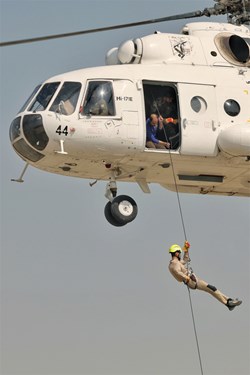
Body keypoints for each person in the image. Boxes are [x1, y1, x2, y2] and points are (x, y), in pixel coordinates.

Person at [168, 242, 242, 311]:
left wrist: (186, 250)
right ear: (176, 253)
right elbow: (177, 272)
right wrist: (186, 277)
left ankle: (229, 301)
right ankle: (228, 303)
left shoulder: (176, 262)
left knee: (212, 288)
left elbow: (185, 260)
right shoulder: (174, 264)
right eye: (179, 253)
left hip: (192, 279)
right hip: (191, 281)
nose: (180, 254)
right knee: (211, 288)